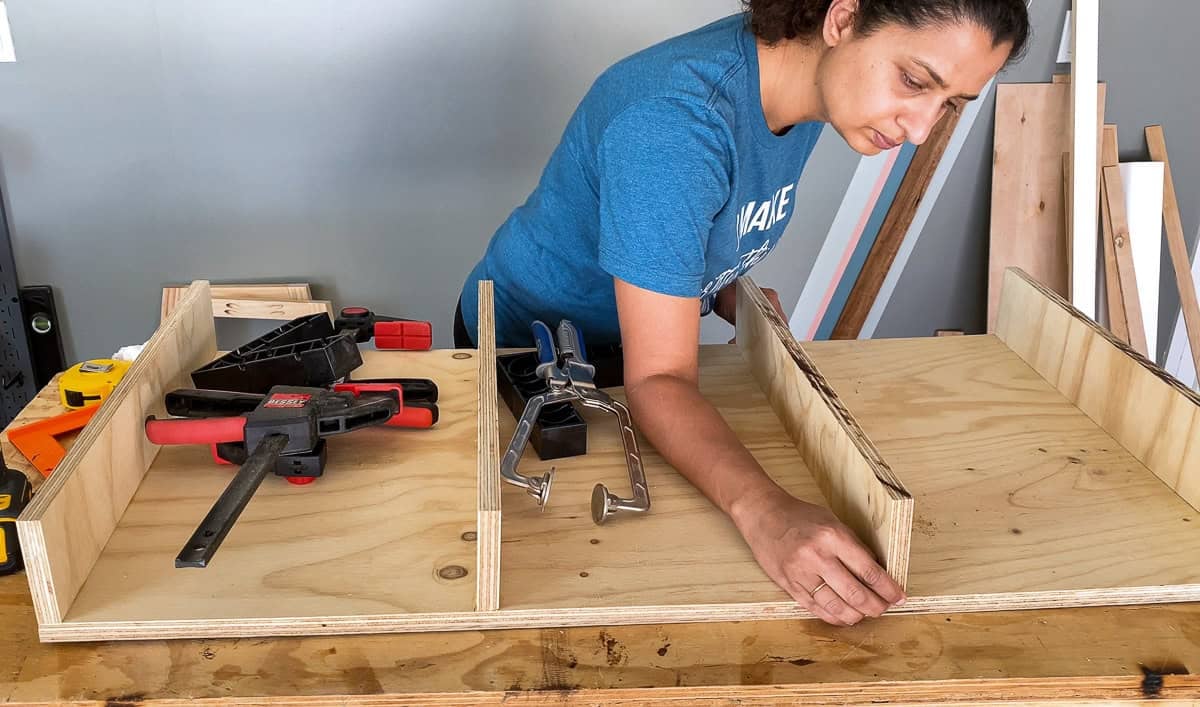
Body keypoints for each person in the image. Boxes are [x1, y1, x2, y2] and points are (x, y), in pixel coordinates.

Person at [456, 0, 1029, 626]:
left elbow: (699, 218)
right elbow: (659, 382)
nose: (920, 129)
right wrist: (767, 513)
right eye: (915, 81)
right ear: (841, 19)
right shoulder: (675, 125)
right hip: (524, 354)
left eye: (950, 103)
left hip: (631, 347)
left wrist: (727, 287)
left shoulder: (810, 85)